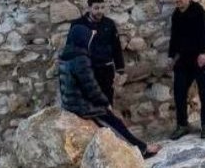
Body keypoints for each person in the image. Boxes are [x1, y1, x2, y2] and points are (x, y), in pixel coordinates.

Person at [59, 23, 160, 159]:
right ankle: (142, 150)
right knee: (114, 122)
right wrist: (105, 103)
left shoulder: (66, 55)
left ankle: (140, 146)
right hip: (82, 106)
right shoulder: (80, 59)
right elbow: (91, 88)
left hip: (70, 103)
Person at [168, 0, 205, 140]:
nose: (178, 0)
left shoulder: (198, 11)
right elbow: (174, 37)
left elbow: (204, 33)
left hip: (201, 57)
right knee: (179, 91)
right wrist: (171, 56)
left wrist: (203, 53)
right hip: (183, 59)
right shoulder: (176, 14)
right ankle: (182, 125)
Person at [71, 0, 125, 104]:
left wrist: (120, 68)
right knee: (88, 102)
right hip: (87, 70)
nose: (100, 11)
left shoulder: (109, 24)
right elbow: (71, 48)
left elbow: (116, 46)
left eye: (102, 7)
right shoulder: (78, 25)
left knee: (106, 101)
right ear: (89, 8)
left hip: (106, 70)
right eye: (96, 8)